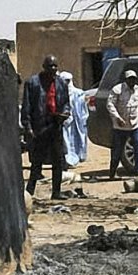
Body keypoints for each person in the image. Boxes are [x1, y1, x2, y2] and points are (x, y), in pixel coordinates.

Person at [21, 55, 71, 199]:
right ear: (44, 67)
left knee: (58, 160)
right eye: (50, 66)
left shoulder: (61, 83)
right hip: (39, 127)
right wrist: (28, 127)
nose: (53, 69)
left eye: (55, 66)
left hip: (56, 125)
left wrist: (65, 114)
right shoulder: (33, 83)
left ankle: (56, 192)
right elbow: (27, 106)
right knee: (37, 162)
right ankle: (29, 192)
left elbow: (66, 103)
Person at [106, 69, 138, 179]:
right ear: (125, 80)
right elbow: (110, 105)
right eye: (130, 79)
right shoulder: (117, 90)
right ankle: (112, 172)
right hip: (120, 126)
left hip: (135, 124)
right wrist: (117, 117)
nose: (132, 81)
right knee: (117, 150)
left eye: (134, 79)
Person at [59, 71, 89, 167]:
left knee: (76, 139)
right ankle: (67, 160)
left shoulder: (78, 93)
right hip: (64, 121)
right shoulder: (58, 93)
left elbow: (82, 109)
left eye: (68, 81)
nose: (66, 83)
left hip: (76, 121)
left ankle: (75, 158)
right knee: (66, 141)